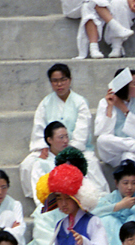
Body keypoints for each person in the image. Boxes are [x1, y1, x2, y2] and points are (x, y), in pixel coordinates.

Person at [19, 64, 94, 197]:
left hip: (75, 148)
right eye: (55, 81)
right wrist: (43, 146)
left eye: (63, 80)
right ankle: (39, 198)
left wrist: (71, 149)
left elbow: (82, 129)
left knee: (91, 164)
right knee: (27, 165)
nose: (59, 84)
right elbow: (39, 127)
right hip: (51, 148)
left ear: (69, 80)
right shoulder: (45, 103)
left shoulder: (80, 102)